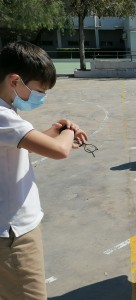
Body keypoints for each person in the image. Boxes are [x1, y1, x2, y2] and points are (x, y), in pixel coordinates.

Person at [0, 41, 88, 300]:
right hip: (14, 234)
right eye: (38, 92)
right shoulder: (3, 115)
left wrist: (56, 131)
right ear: (15, 81)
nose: (41, 98)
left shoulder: (7, 110)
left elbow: (22, 145)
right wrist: (69, 130)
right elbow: (59, 151)